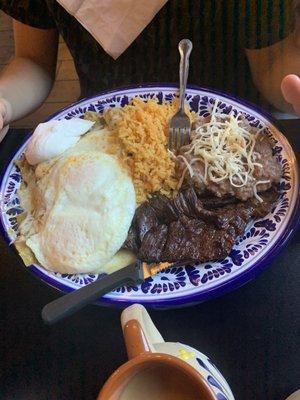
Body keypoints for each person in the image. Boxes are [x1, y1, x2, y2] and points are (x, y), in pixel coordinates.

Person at [0, 0, 299, 143]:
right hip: (105, 136)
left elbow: (273, 61)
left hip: (229, 140)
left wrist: (294, 88)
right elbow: (32, 61)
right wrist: (4, 102)